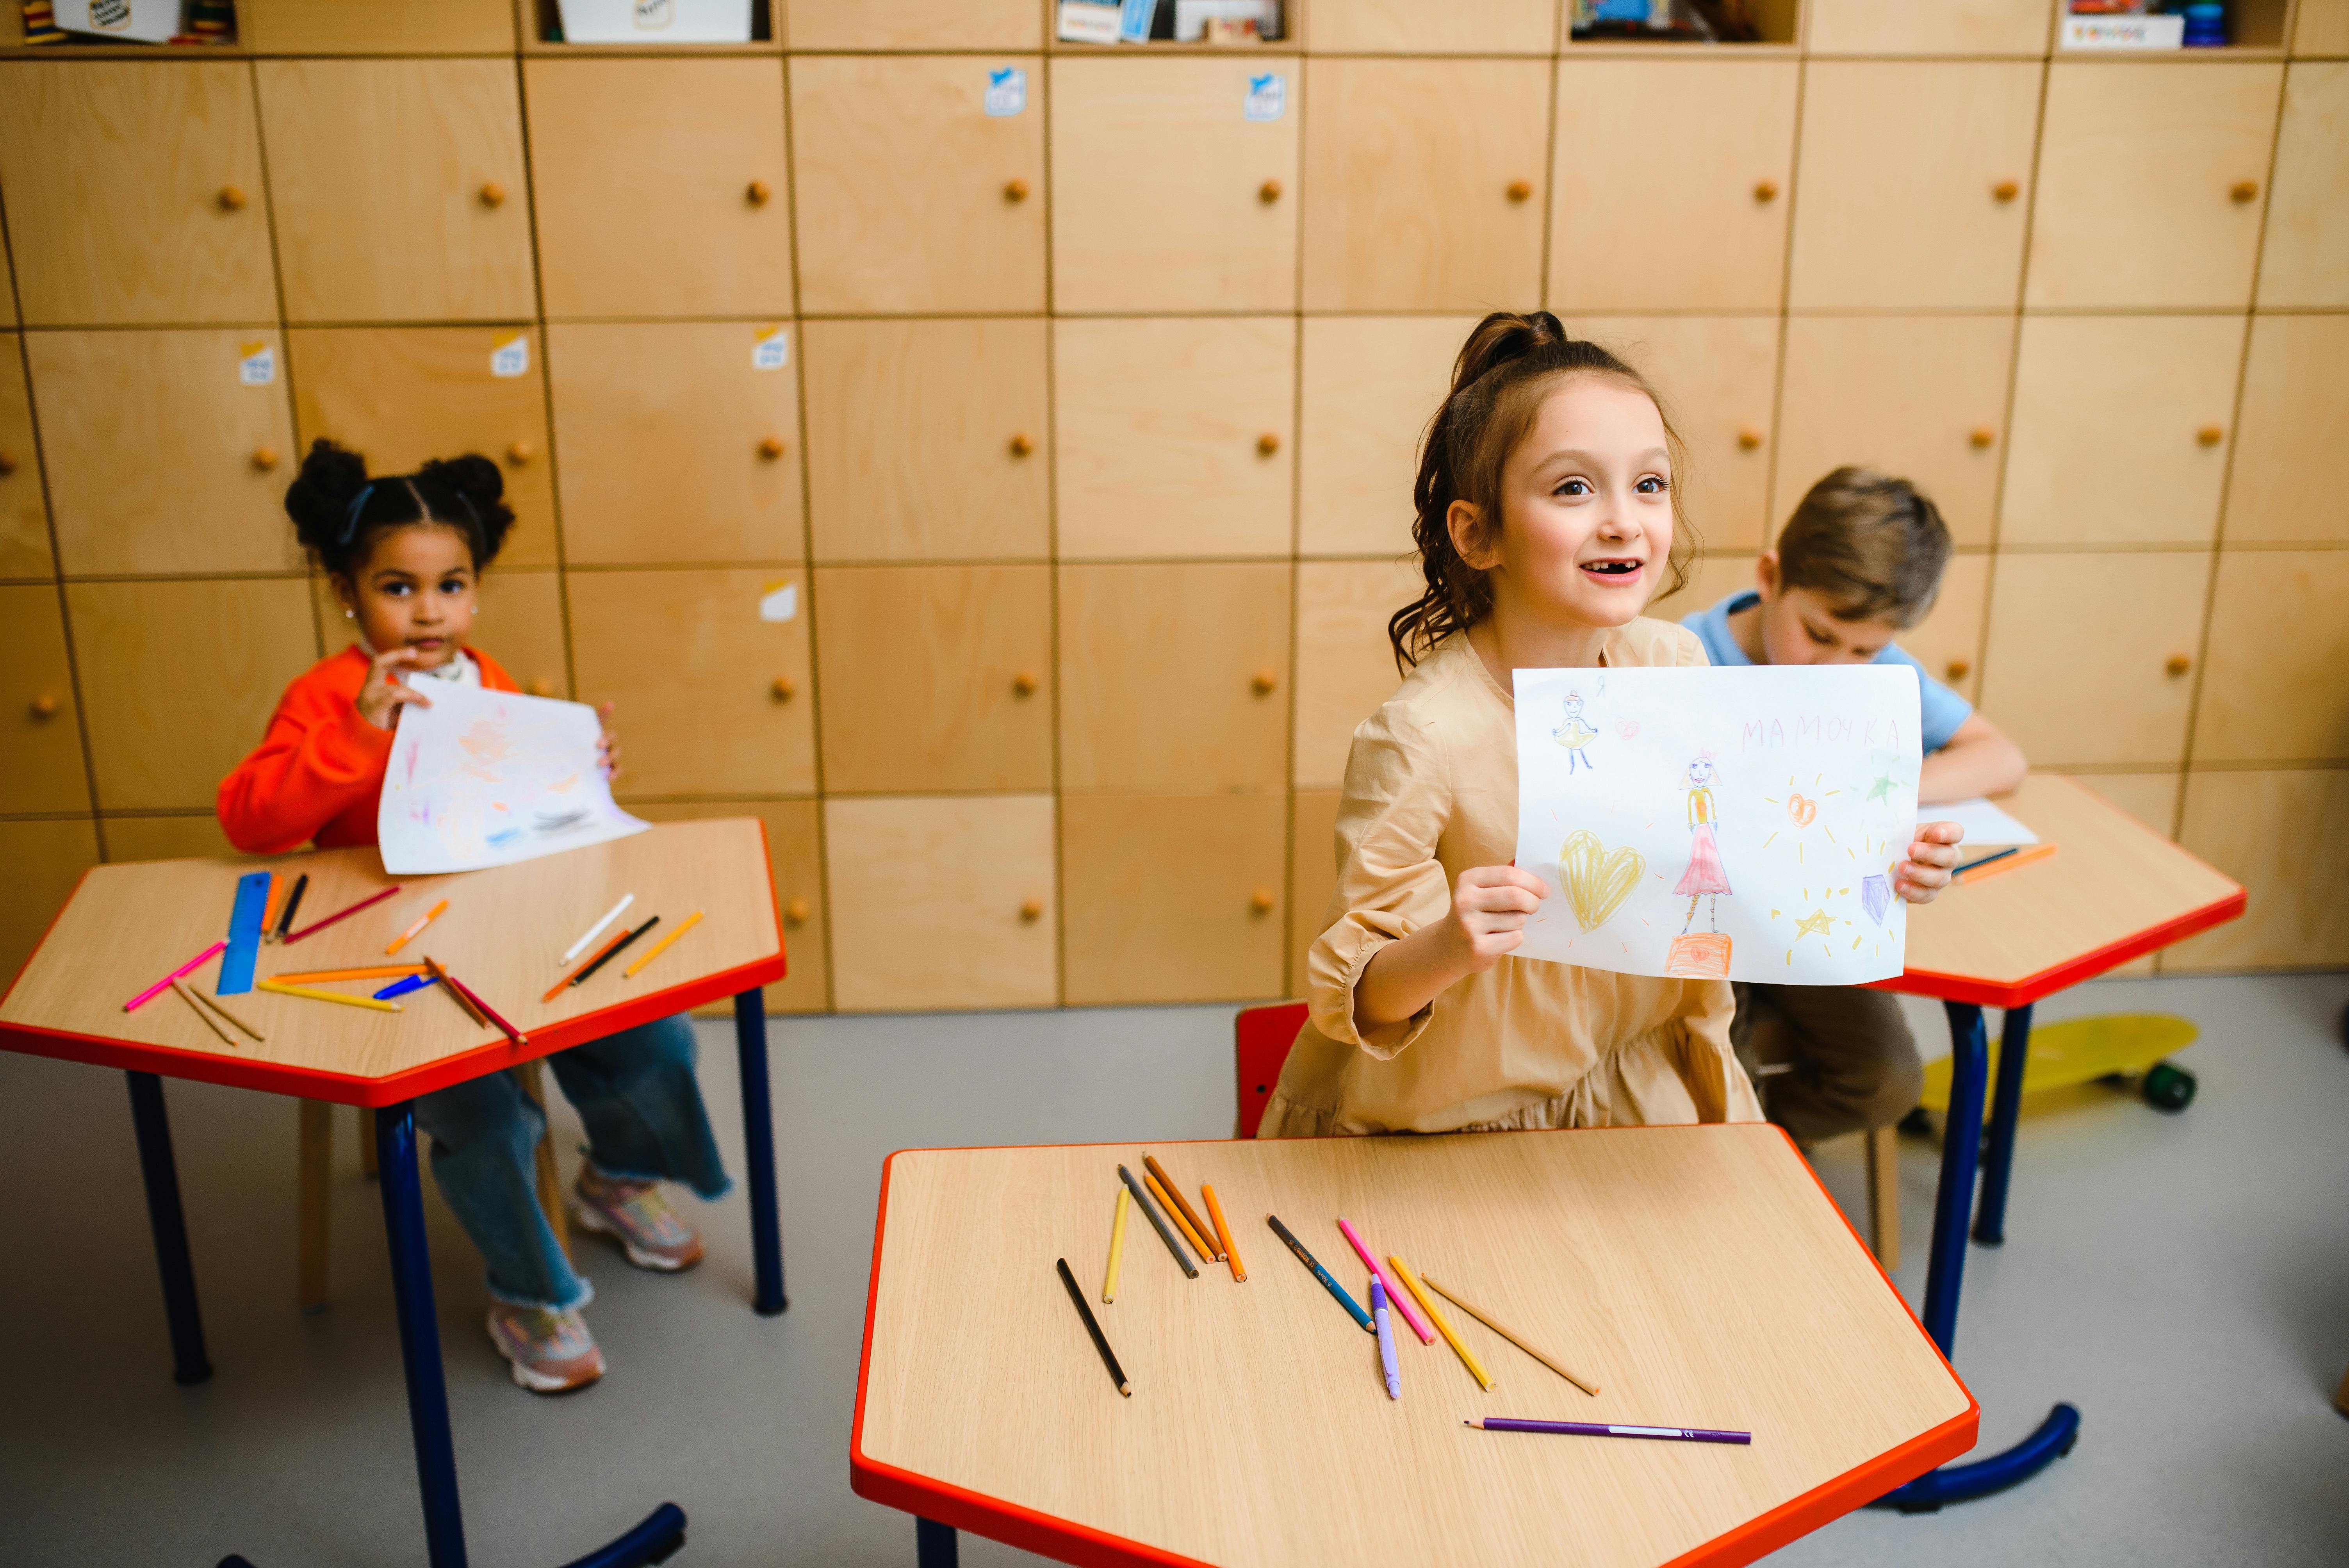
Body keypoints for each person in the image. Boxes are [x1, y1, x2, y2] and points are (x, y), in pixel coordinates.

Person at [1258, 314, 1966, 1138]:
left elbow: (1748, 852)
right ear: (1476, 532)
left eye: (1649, 484)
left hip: (1639, 1085)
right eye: (1572, 488)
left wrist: (1873, 863)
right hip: (1461, 1120)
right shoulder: (1423, 736)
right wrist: (1453, 941)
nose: (1624, 520)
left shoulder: (1668, 665)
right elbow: (1361, 997)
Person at [219, 440, 729, 1394]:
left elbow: (510, 800)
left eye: (450, 585)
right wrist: (355, 734)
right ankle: (528, 1290)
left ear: (475, 591)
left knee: (654, 1035)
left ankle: (615, 1176)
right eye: (396, 588)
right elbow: (248, 819)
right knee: (486, 1114)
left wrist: (578, 768)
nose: (428, 611)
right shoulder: (328, 696)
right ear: (345, 591)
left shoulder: (486, 674)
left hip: (506, 926)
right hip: (381, 949)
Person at [1682, 465, 2028, 1144]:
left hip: (1815, 926)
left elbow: (2002, 757)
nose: (1837, 667)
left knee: (1890, 1081)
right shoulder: (1683, 657)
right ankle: (1734, 1148)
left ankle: (1763, 1149)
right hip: (1712, 934)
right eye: (1816, 634)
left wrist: (1887, 784)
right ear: (1769, 576)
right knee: (1713, 1083)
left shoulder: (1886, 671)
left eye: (1864, 649)